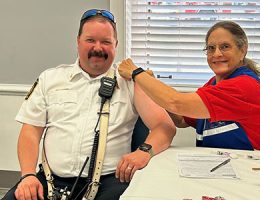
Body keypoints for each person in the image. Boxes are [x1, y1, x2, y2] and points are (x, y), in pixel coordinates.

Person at [3, 9, 176, 200]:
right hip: (51, 181)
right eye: (90, 40)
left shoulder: (131, 81)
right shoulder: (50, 79)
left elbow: (165, 127)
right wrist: (27, 175)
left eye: (106, 42)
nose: (98, 48)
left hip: (111, 182)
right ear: (78, 42)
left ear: (116, 45)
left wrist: (144, 152)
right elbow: (30, 131)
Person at [119, 21, 260, 152]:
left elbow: (176, 102)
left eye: (225, 46)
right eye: (211, 48)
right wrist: (150, 85)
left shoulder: (244, 86)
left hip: (253, 171)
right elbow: (182, 119)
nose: (217, 54)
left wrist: (136, 72)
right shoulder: (214, 83)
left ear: (243, 50)